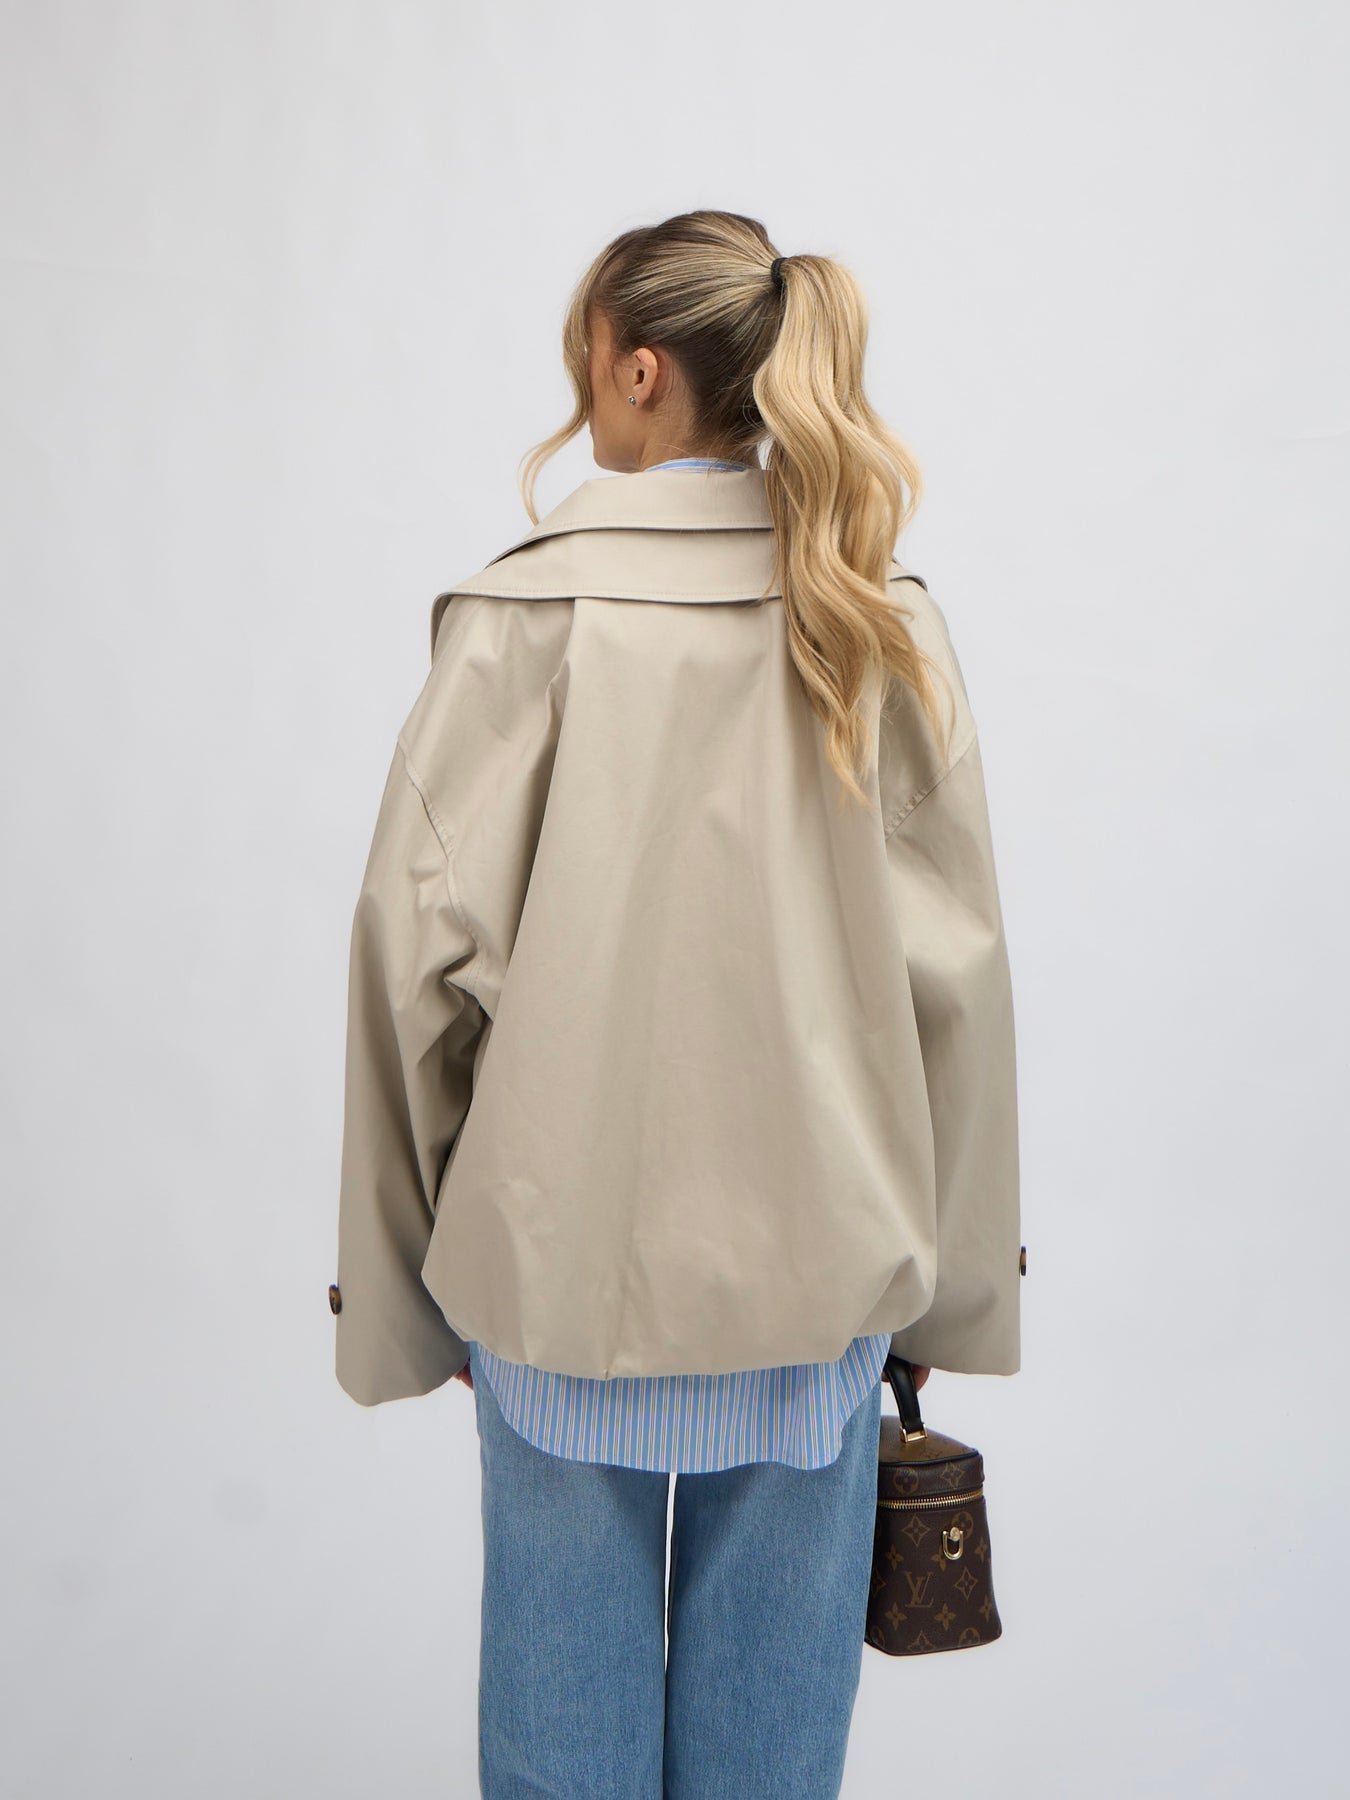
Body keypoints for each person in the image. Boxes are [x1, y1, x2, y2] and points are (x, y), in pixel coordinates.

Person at [330, 208, 1022, 1799]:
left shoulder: (524, 622)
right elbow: (957, 987)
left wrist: (415, 1287)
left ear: (638, 370)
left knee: (555, 1756)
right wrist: (944, 1293)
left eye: (585, 351)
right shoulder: (874, 621)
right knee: (771, 1767)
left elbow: (407, 962)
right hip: (820, 1300)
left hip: (554, 1284)